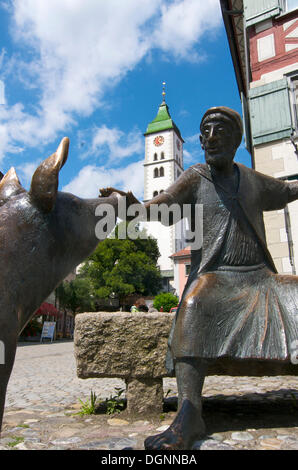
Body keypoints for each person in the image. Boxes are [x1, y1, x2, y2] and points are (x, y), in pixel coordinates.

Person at [101, 106, 298, 449]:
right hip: (216, 277)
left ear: (236, 140)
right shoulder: (195, 176)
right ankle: (190, 412)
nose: (210, 138)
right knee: (193, 303)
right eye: (205, 132)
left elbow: (286, 191)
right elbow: (162, 207)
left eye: (219, 131)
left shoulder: (251, 179)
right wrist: (133, 206)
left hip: (260, 278)